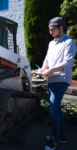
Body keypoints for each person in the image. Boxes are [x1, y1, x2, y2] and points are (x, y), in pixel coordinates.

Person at [39, 17, 77, 150]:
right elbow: (47, 59)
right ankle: (63, 136)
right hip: (51, 79)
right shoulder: (51, 43)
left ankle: (55, 138)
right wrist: (44, 68)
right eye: (49, 29)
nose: (50, 32)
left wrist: (50, 70)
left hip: (61, 80)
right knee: (57, 109)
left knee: (53, 109)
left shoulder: (69, 43)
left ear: (61, 27)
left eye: (52, 29)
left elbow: (66, 64)